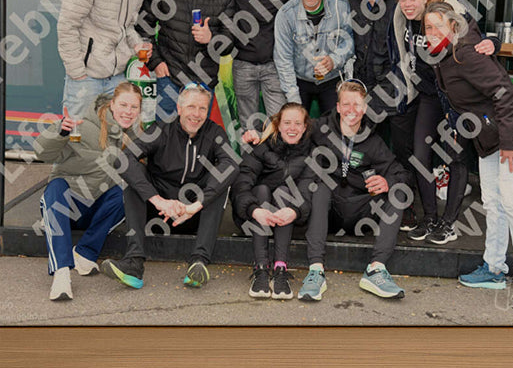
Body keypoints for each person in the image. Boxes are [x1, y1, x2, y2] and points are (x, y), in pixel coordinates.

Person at [422, 2, 513, 314]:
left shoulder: (464, 53)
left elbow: (503, 92)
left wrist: (509, 142)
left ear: (452, 26)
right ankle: (494, 267)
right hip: (488, 138)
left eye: (438, 26)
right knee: (493, 202)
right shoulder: (444, 56)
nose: (432, 32)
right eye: (427, 27)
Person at [392, 0, 499, 244]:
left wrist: (494, 43)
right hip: (429, 96)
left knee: (456, 157)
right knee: (420, 156)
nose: (407, 4)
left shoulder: (448, 14)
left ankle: (448, 223)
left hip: (456, 99)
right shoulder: (402, 18)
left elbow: (478, 39)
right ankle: (429, 218)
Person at [101, 83, 239, 289]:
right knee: (134, 176)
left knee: (222, 177)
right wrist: (159, 201)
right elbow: (123, 160)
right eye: (191, 107)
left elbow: (231, 164)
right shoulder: (160, 130)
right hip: (158, 213)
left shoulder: (214, 132)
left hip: (194, 214)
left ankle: (199, 262)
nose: (197, 114)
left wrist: (195, 206)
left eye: (202, 108)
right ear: (179, 108)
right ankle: (133, 263)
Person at [327, 0, 418, 231]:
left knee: (403, 152)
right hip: (363, 91)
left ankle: (406, 207)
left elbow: (435, 2)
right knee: (363, 150)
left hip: (397, 88)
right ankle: (361, 206)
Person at [298, 79, 413, 301]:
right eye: (346, 104)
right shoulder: (321, 128)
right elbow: (288, 135)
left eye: (357, 105)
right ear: (338, 107)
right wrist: (257, 136)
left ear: (365, 108)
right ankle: (315, 271)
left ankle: (376, 269)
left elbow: (403, 174)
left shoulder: (373, 140)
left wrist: (387, 181)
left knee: (398, 191)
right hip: (331, 212)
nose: (352, 110)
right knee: (320, 186)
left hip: (362, 212)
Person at [34, 82, 142, 301]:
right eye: (123, 105)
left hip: (93, 209)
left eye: (134, 107)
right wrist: (60, 131)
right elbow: (41, 152)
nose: (128, 111)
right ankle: (61, 272)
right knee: (55, 188)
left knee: (127, 194)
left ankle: (85, 252)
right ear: (112, 104)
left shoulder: (133, 136)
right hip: (66, 206)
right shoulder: (84, 125)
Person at [136, 0, 235, 120]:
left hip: (203, 83)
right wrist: (155, 62)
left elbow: (228, 44)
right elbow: (142, 27)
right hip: (169, 79)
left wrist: (211, 39)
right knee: (166, 134)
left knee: (197, 136)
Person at [58, 0, 151, 117]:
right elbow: (67, 27)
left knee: (114, 132)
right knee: (79, 131)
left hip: (117, 79)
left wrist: (137, 45)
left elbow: (128, 27)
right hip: (86, 78)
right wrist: (77, 73)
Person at [217, 0, 296, 130]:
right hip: (243, 63)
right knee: (248, 127)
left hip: (275, 64)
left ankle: (274, 154)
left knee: (277, 127)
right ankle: (248, 153)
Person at [233, 103, 314, 300]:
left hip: (289, 218)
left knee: (285, 191)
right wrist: (254, 210)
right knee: (261, 189)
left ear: (305, 127)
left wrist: (295, 211)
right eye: (287, 122)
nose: (292, 128)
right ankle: (261, 268)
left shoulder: (312, 153)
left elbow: (306, 191)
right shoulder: (262, 147)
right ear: (278, 125)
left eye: (297, 123)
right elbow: (241, 183)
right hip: (253, 215)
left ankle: (280, 269)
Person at [274, 0, 354, 115]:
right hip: (299, 81)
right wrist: (294, 102)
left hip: (331, 79)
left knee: (335, 124)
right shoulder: (286, 14)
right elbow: (283, 61)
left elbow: (349, 41)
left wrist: (334, 60)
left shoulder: (341, 5)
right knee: (296, 122)